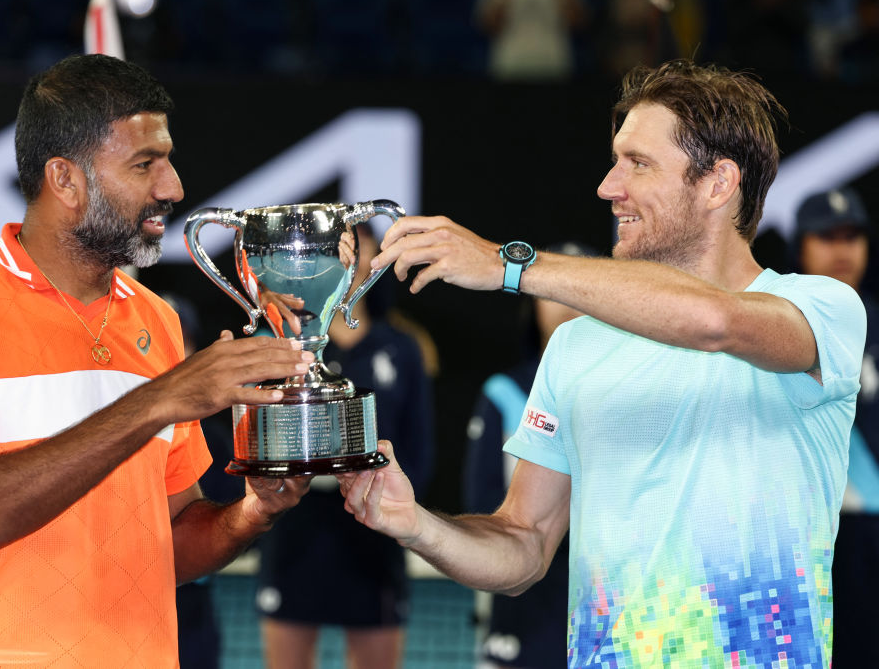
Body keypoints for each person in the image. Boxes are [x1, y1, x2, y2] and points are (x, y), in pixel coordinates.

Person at [338, 59, 866, 667]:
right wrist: (415, 524)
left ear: (718, 183)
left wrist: (508, 265)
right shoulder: (575, 346)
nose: (608, 186)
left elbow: (716, 322)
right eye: (616, 160)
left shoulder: (822, 308)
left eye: (638, 163)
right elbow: (524, 545)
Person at [0, 53, 314, 668]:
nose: (174, 187)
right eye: (144, 164)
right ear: (66, 180)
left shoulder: (155, 318)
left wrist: (251, 511)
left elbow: (170, 541)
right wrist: (163, 398)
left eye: (168, 159)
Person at [255, 224, 435, 669]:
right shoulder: (285, 345)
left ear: (376, 260)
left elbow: (420, 446)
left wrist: (391, 505)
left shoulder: (403, 348)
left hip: (373, 535)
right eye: (332, 249)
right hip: (295, 533)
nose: (344, 259)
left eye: (356, 247)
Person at [463, 241, 592, 669]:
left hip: (611, 604)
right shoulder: (504, 393)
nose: (564, 305)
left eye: (579, 286)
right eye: (550, 292)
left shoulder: (632, 387)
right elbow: (481, 503)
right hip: (525, 605)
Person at [791, 186, 879, 665]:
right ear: (799, 245)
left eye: (852, 236)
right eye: (826, 236)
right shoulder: (769, 328)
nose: (842, 250)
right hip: (806, 532)